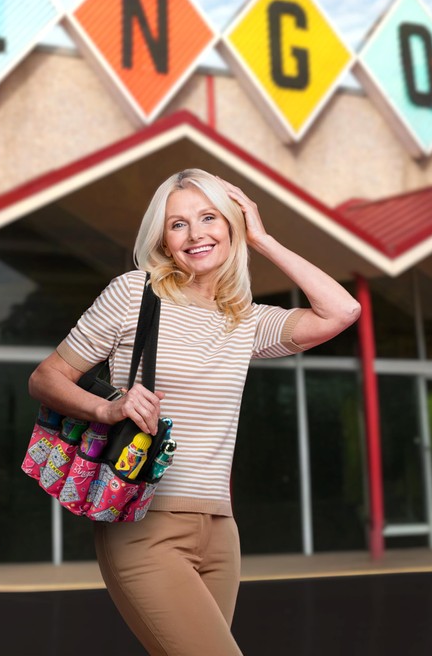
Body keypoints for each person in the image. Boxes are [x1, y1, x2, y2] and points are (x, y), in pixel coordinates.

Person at [28, 168, 361, 655]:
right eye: (178, 224)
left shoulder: (243, 320)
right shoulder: (134, 294)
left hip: (221, 531)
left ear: (231, 225)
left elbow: (341, 311)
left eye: (209, 218)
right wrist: (108, 407)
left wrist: (262, 239)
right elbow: (46, 378)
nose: (195, 234)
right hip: (143, 525)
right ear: (163, 238)